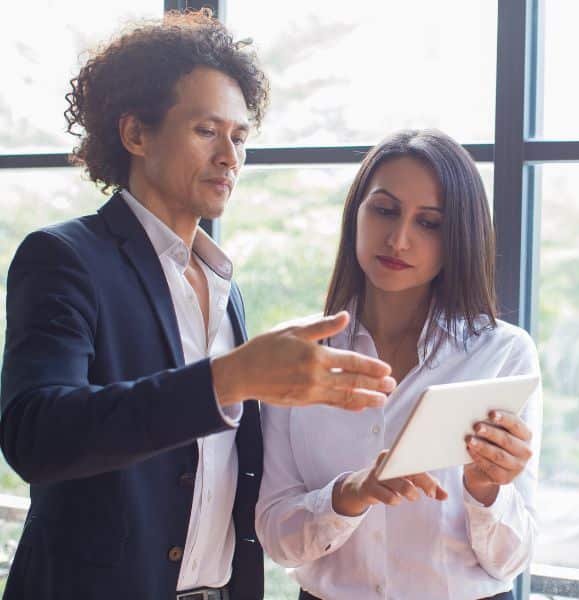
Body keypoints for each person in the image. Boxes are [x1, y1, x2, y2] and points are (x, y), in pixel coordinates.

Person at [0, 10, 394, 600]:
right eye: (206, 131)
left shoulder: (225, 285)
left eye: (239, 137)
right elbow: (37, 435)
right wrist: (227, 380)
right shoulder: (64, 257)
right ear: (136, 135)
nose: (230, 157)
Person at [256, 129, 542, 600]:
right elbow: (277, 539)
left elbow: (512, 559)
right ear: (356, 214)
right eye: (385, 210)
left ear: (457, 239)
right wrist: (350, 494)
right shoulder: (300, 352)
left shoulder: (503, 354)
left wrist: (485, 490)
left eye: (429, 223)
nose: (399, 239)